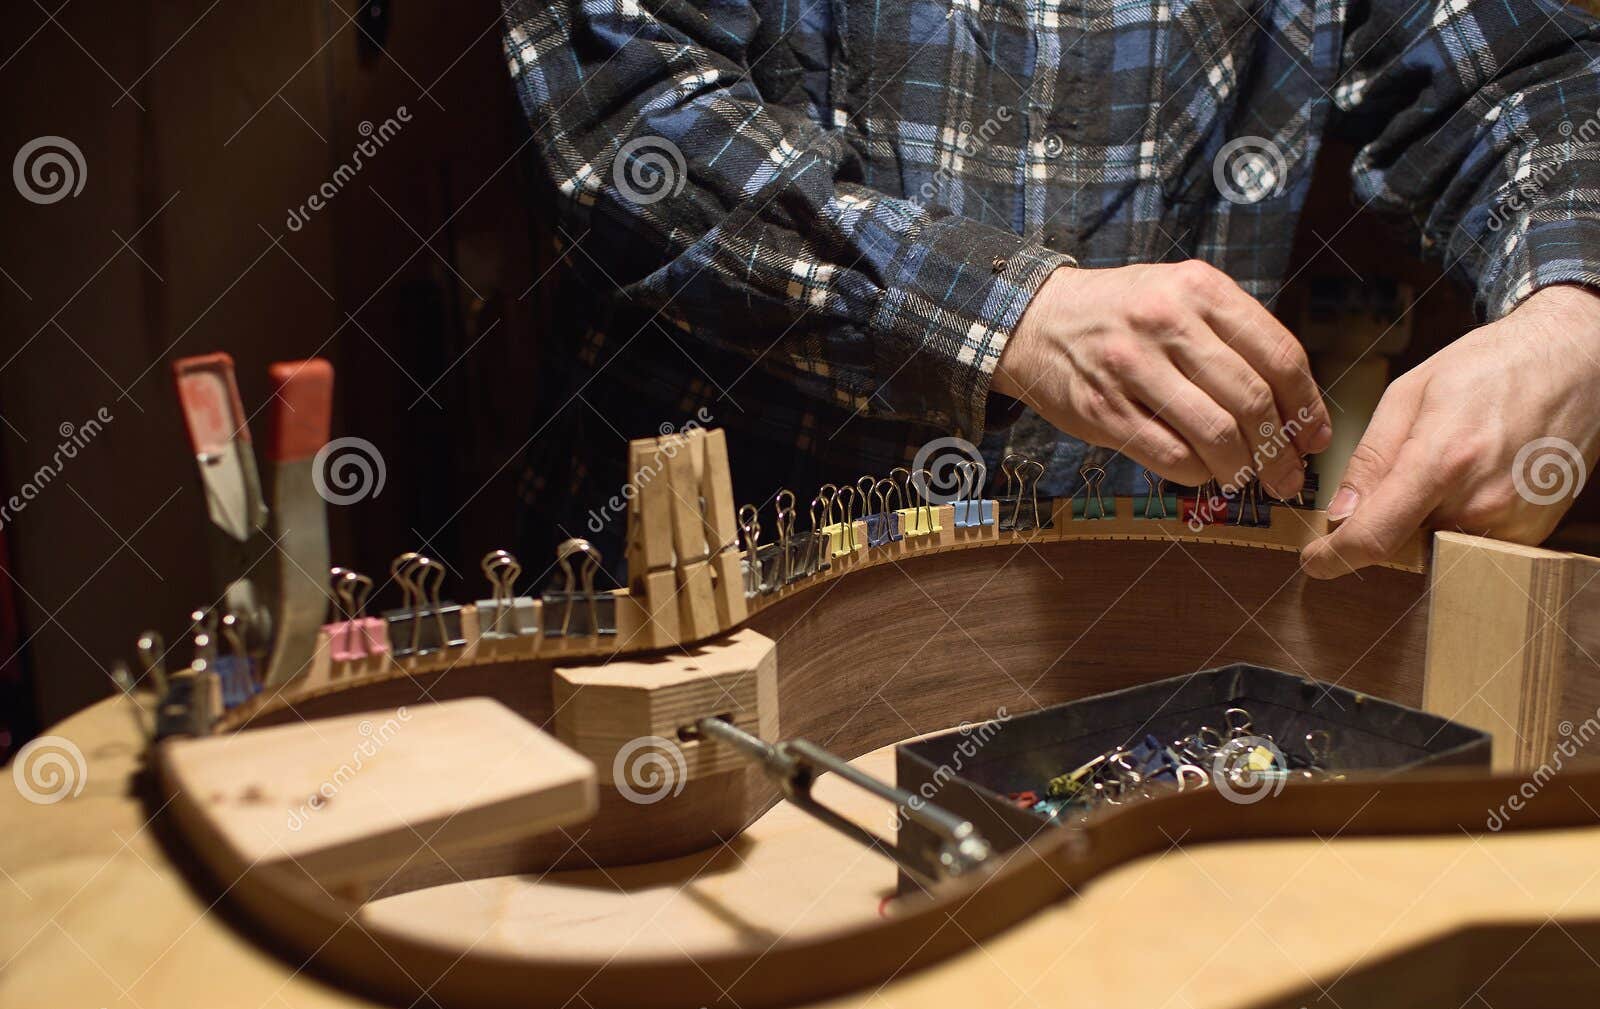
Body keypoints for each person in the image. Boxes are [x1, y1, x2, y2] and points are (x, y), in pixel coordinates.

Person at [501, 0, 1600, 577]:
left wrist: (1572, 311)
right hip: (705, 617)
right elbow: (630, 123)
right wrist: (1005, 313)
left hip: (1121, 627)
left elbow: (1520, 79)